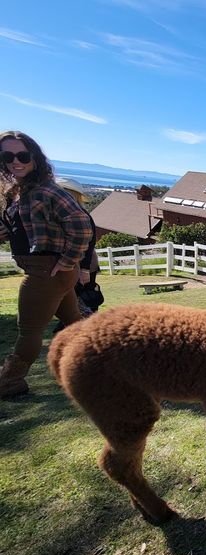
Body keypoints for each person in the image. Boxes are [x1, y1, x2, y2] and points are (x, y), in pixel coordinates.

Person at [0, 132, 93, 398]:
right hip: (49, 270)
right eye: (7, 156)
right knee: (73, 322)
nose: (15, 161)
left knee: (28, 329)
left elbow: (81, 225)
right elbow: (21, 227)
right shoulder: (18, 191)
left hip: (47, 270)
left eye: (22, 155)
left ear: (35, 158)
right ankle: (101, 365)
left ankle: (10, 381)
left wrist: (67, 260)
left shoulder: (46, 190)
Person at [54, 177, 103, 322]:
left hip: (84, 262)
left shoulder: (81, 215)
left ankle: (89, 323)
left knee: (85, 296)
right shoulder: (62, 214)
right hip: (72, 262)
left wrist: (85, 269)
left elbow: (89, 243)